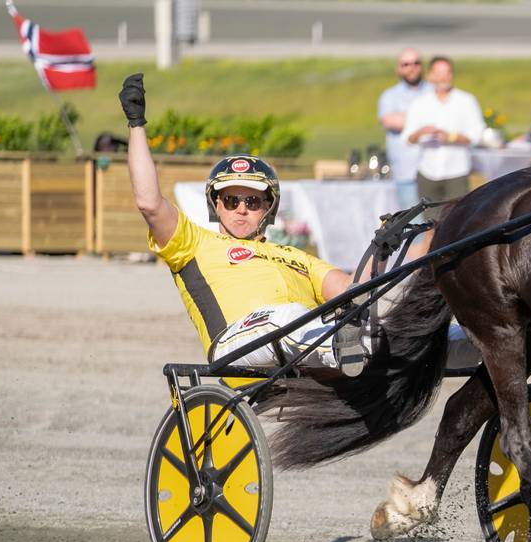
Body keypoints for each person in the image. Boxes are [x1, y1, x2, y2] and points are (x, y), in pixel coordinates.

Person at [117, 73, 363, 371]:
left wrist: (390, 249)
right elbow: (149, 203)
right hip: (238, 344)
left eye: (252, 202)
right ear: (217, 205)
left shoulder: (297, 256)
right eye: (232, 201)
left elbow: (352, 288)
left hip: (302, 344)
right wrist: (137, 125)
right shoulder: (194, 244)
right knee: (286, 318)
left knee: (373, 319)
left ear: (268, 208)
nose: (241, 209)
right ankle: (342, 350)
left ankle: (354, 350)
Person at [402, 56, 485, 212]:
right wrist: (422, 132)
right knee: (429, 222)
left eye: (447, 73)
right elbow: (407, 138)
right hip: (428, 172)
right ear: (430, 76)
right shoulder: (420, 103)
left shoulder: (466, 101)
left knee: (455, 219)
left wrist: (451, 137)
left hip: (456, 172)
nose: (443, 78)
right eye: (438, 73)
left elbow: (477, 135)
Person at [377, 48, 430, 210]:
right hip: (406, 170)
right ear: (398, 68)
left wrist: (405, 117)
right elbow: (390, 121)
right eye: (406, 64)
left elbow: (443, 120)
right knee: (413, 220)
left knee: (439, 219)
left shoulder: (433, 90)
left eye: (416, 63)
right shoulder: (389, 95)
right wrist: (426, 119)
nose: (411, 68)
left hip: (434, 169)